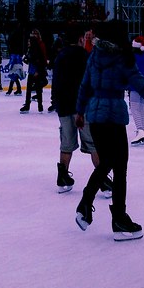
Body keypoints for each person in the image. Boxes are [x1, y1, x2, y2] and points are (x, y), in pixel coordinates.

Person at [74, 31, 144, 240]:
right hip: (113, 117)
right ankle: (119, 219)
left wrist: (80, 112)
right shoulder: (124, 59)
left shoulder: (95, 55)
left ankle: (86, 203)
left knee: (106, 162)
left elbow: (84, 86)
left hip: (94, 116)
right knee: (120, 167)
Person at [51, 27, 112, 197]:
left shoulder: (60, 57)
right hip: (82, 108)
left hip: (64, 107)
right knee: (93, 144)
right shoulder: (85, 56)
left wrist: (56, 103)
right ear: (80, 39)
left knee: (66, 143)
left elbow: (56, 82)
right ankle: (104, 181)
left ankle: (62, 178)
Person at [20, 30, 48, 114]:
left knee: (37, 88)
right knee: (31, 88)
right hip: (32, 70)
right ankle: (31, 105)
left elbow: (40, 59)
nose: (28, 42)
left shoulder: (38, 47)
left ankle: (39, 105)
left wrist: (38, 70)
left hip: (36, 71)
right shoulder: (31, 48)